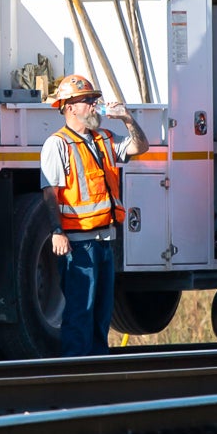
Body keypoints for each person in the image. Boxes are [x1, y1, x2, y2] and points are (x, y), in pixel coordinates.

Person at [40, 73, 152, 356]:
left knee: (101, 315)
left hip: (103, 243)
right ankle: (76, 375)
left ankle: (98, 372)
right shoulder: (58, 144)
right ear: (69, 107)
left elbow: (141, 146)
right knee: (80, 313)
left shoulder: (103, 138)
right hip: (78, 245)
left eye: (93, 99)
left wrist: (127, 118)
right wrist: (57, 231)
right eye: (86, 100)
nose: (93, 105)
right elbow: (50, 193)